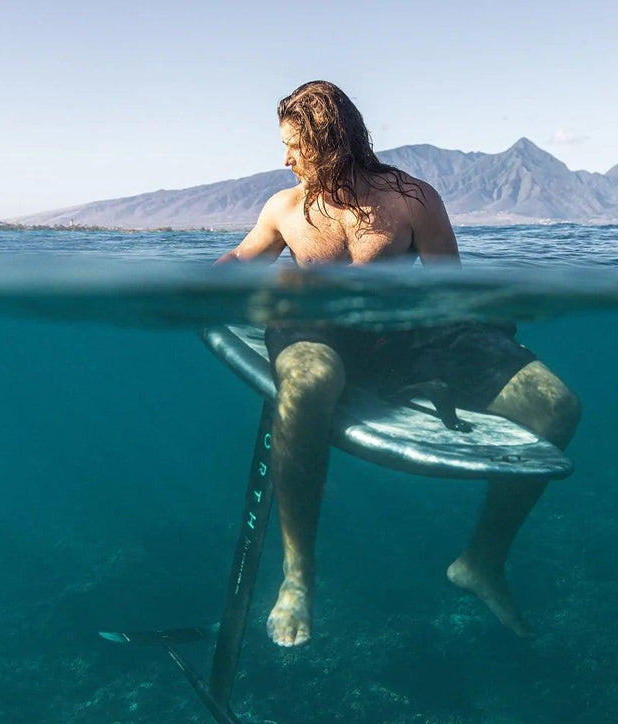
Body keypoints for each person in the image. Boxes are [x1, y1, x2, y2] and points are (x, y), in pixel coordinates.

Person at [216, 80, 580, 646]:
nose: (285, 159)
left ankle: (482, 561)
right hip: (315, 328)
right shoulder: (284, 208)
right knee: (309, 382)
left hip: (407, 334)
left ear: (331, 141)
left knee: (557, 407)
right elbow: (242, 258)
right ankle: (297, 578)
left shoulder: (412, 200)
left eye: (296, 146)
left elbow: (447, 291)